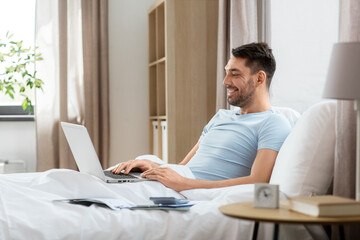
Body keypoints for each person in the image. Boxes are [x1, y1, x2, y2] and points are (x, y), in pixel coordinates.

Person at [111, 42, 291, 192]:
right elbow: (184, 167)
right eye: (226, 72)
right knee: (110, 176)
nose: (225, 81)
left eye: (234, 74)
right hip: (180, 182)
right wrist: (154, 167)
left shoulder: (273, 123)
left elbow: (257, 183)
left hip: (190, 189)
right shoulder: (221, 116)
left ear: (259, 79)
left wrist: (185, 185)